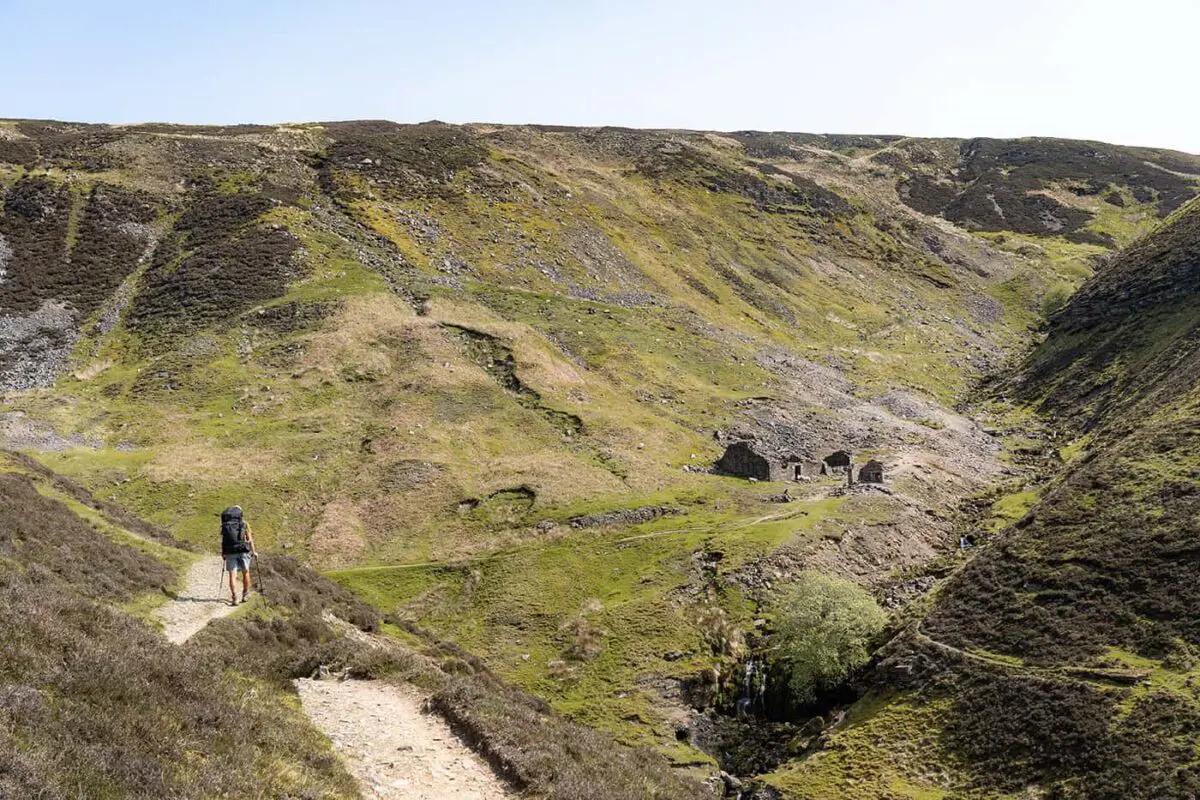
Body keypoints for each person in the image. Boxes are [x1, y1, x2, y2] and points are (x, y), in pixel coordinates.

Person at [220, 505, 257, 606]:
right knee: (246, 572)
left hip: (230, 551)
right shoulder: (244, 524)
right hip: (243, 550)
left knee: (232, 575)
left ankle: (234, 597)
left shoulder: (225, 525)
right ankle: (245, 594)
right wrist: (254, 552)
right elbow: (250, 539)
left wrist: (223, 552)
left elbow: (224, 539)